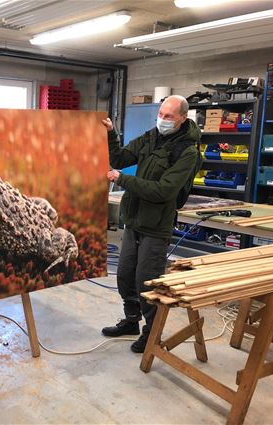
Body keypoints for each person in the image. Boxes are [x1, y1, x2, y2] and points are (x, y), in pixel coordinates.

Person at [100, 95, 201, 353]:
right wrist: (112, 134)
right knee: (125, 276)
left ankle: (151, 333)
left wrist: (123, 180)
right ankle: (131, 321)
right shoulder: (150, 137)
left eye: (169, 116)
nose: (163, 120)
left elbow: (163, 191)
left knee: (148, 281)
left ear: (182, 118)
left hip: (156, 226)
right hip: (134, 220)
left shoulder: (187, 152)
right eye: (161, 114)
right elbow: (121, 159)